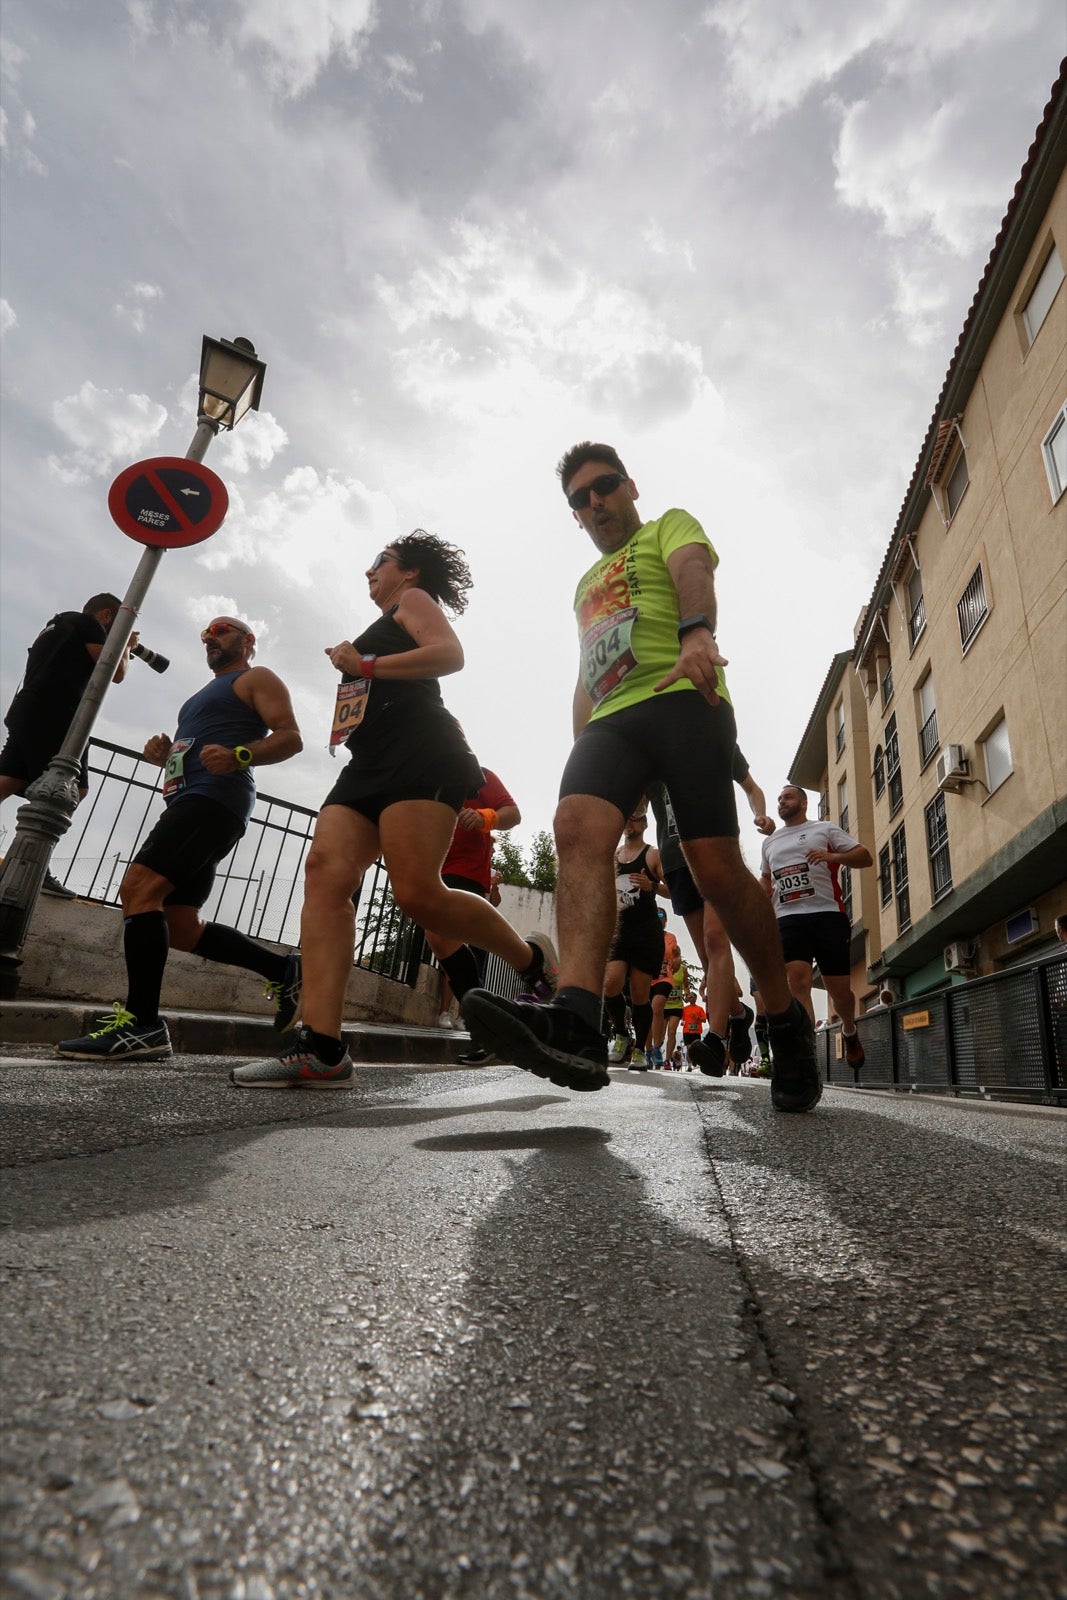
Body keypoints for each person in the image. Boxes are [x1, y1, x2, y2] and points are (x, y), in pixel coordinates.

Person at [462, 442, 821, 1112]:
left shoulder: (668, 527)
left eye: (602, 486)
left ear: (628, 485)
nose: (594, 501)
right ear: (574, 514)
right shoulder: (583, 586)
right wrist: (584, 749)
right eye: (579, 498)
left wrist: (697, 632)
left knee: (716, 869)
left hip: (683, 697)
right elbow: (586, 668)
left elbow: (693, 570)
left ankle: (783, 1016)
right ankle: (576, 1018)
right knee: (575, 824)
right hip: (612, 719)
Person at [231, 533, 557, 1090]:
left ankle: (530, 963)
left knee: (417, 894)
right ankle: (322, 1048)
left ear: (409, 573)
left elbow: (450, 655)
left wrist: (363, 662)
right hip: (368, 763)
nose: (369, 571)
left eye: (379, 562)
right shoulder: (386, 617)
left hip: (422, 751)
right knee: (325, 873)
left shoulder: (412, 600)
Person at [56, 617, 304, 1060]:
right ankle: (284, 969)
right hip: (192, 801)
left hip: (213, 801)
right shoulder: (197, 699)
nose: (210, 637)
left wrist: (241, 755)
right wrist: (165, 755)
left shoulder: (256, 678)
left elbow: (290, 738)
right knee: (181, 927)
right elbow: (197, 751)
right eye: (205, 633)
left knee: (138, 888)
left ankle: (143, 1026)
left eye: (221, 629)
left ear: (248, 640)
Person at [648, 748, 773, 1076]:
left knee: (716, 938)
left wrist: (760, 814)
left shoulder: (711, 733)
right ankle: (738, 1014)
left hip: (717, 851)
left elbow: (752, 787)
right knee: (707, 958)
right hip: (676, 862)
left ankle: (716, 1039)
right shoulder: (650, 745)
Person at [0, 593, 130, 896]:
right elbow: (116, 671)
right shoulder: (88, 623)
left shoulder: (56, 626)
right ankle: (32, 866)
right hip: (55, 715)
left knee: (9, 779)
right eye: (118, 625)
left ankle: (28, 861)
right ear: (107, 615)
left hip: (28, 709)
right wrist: (126, 643)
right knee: (71, 789)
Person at [760, 784, 873, 1069]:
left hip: (827, 915)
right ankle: (806, 1050)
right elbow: (766, 879)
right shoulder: (770, 842)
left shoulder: (824, 829)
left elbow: (864, 857)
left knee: (840, 992)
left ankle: (849, 1029)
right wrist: (761, 899)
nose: (781, 802)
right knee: (797, 981)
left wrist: (832, 857)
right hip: (787, 918)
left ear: (803, 803)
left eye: (787, 797)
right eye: (779, 798)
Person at [428, 768, 522, 1066]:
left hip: (465, 871)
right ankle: (490, 1026)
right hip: (431, 868)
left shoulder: (476, 773)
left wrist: (485, 818)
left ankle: (486, 1025)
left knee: (441, 936)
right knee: (440, 942)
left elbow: (513, 814)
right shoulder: (419, 774)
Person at [602, 808, 666, 1069]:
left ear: (645, 823)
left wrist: (652, 886)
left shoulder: (653, 854)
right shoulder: (613, 855)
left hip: (646, 931)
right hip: (619, 930)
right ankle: (621, 1034)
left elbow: (672, 890)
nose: (629, 823)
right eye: (626, 819)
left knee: (640, 994)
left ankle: (640, 1049)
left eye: (635, 819)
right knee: (610, 984)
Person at [681, 992, 706, 1071]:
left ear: (695, 998)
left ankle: (695, 1060)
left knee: (696, 1049)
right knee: (689, 1048)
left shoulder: (700, 1009)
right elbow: (682, 1018)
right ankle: (689, 1066)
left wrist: (697, 1018)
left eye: (692, 997)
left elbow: (704, 1020)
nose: (690, 998)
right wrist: (682, 1022)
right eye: (689, 997)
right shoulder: (685, 1009)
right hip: (687, 1031)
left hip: (696, 1032)